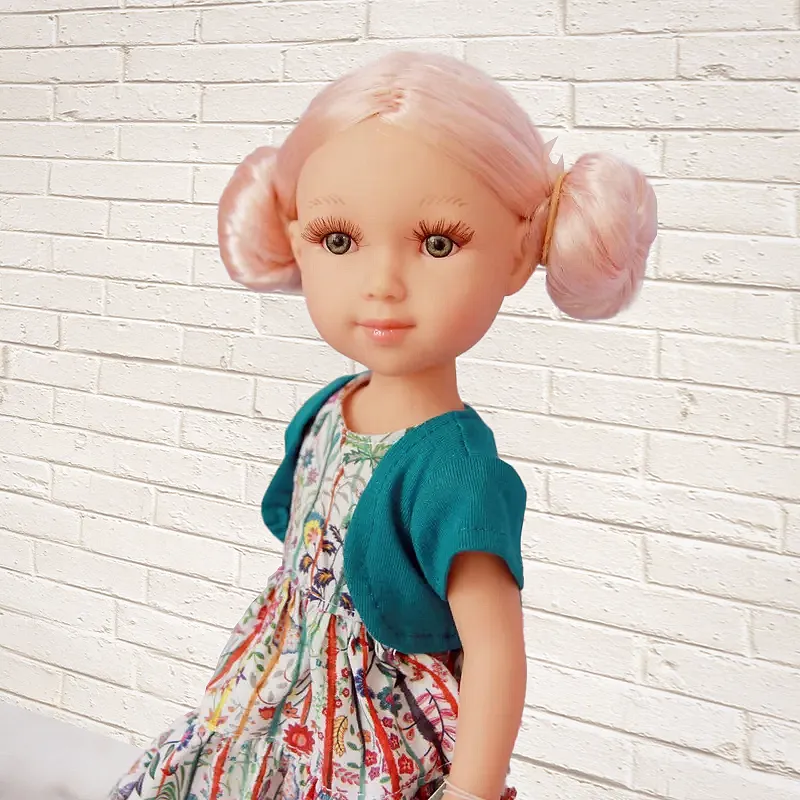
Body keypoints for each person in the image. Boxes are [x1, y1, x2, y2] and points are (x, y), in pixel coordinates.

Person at [109, 51, 657, 800]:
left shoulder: (457, 474)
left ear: (522, 250)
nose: (382, 284)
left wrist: (470, 792)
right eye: (339, 240)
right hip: (272, 693)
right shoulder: (330, 408)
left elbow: (495, 651)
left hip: (369, 742)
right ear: (295, 234)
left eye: (438, 243)